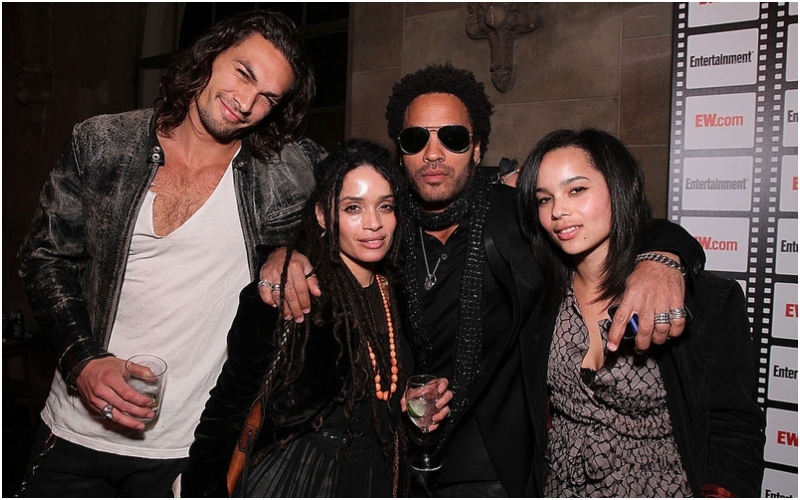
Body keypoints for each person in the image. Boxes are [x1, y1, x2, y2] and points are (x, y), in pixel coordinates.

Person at [260, 63, 705, 497]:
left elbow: (616, 221)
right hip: (399, 457)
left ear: (477, 148)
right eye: (416, 139)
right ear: (401, 151)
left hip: (492, 467)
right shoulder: (386, 230)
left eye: (452, 138)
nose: (433, 153)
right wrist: (288, 255)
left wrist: (661, 259)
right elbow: (334, 233)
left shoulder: (517, 215)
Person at [15, 11, 326, 497]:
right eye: (243, 72)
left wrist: (288, 251)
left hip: (187, 447)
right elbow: (44, 257)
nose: (246, 102)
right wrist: (84, 360)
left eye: (268, 97)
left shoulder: (284, 171)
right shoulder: (101, 143)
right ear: (209, 56)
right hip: (75, 433)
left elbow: (363, 204)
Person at [182, 139, 453, 498]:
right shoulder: (290, 294)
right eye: (353, 207)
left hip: (382, 475)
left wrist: (412, 404)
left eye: (385, 207)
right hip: (301, 477)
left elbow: (379, 389)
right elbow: (227, 410)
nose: (373, 223)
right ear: (324, 215)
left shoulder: (398, 291)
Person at [516, 128, 766, 497]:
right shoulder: (540, 296)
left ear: (618, 188)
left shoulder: (703, 299)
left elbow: (734, 426)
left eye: (577, 189)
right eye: (543, 198)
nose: (558, 211)